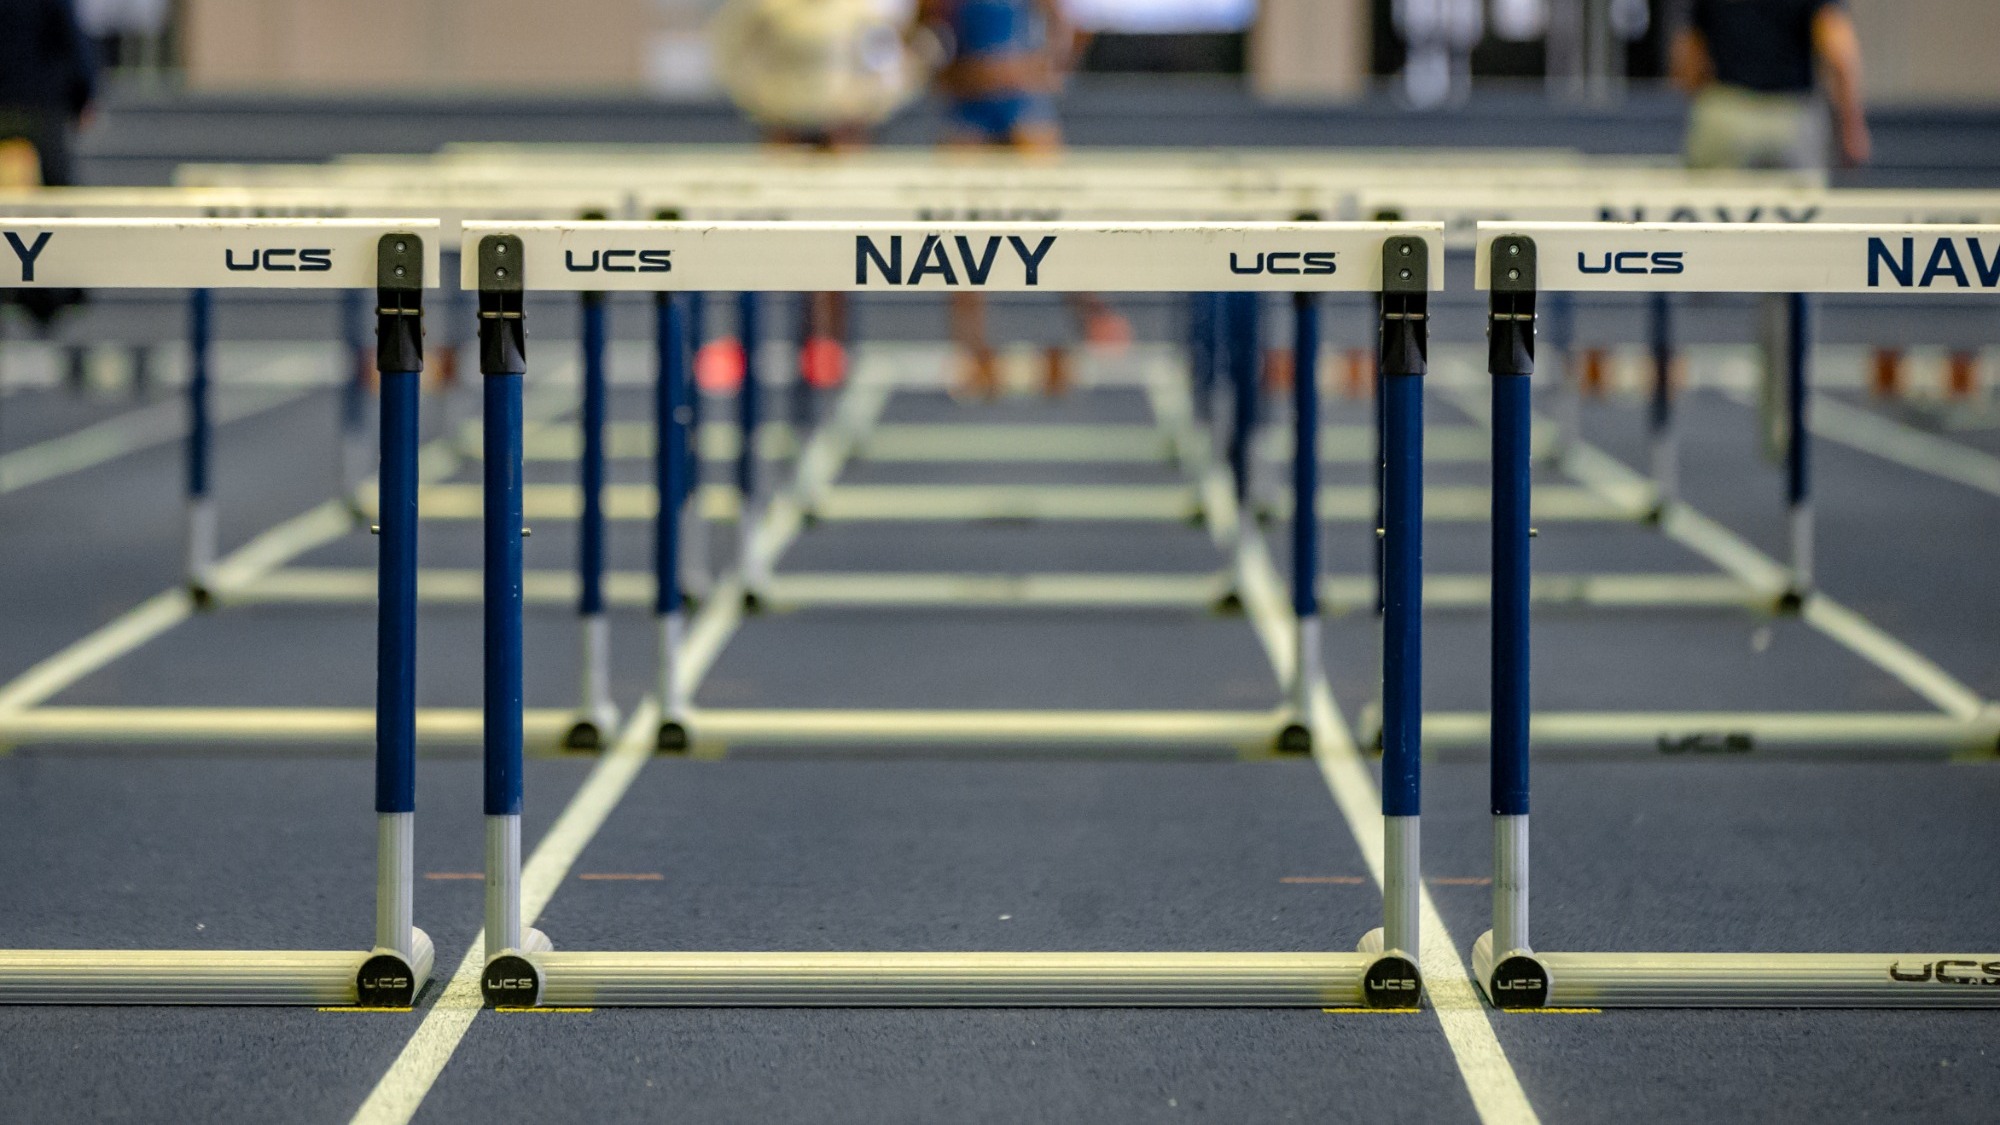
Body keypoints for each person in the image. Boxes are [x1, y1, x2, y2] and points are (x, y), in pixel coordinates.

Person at [914, 0, 1128, 398]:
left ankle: (1094, 313)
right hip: (968, 104)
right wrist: (941, 73)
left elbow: (1069, 24)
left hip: (1021, 102)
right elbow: (916, 33)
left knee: (1060, 216)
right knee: (958, 231)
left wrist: (1047, 68)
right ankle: (969, 346)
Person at [1670, 0, 1869, 171]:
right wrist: (1852, 128)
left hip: (1726, 113)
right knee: (1801, 211)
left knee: (1712, 208)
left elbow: (1688, 58)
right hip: (1793, 121)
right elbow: (1840, 54)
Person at [0, 0, 97, 331]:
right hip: (40, 106)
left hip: (31, 103)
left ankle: (48, 294)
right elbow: (71, 36)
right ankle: (54, 294)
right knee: (55, 200)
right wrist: (84, 94)